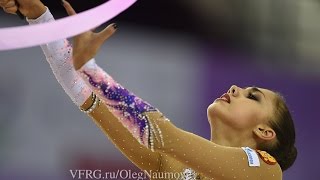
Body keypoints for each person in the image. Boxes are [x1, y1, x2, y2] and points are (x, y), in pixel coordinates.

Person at [0, 0, 297, 179]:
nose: (236, 88)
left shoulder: (264, 171)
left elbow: (160, 135)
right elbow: (85, 97)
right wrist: (39, 15)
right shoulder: (172, 168)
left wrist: (91, 68)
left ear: (265, 132)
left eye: (252, 95)